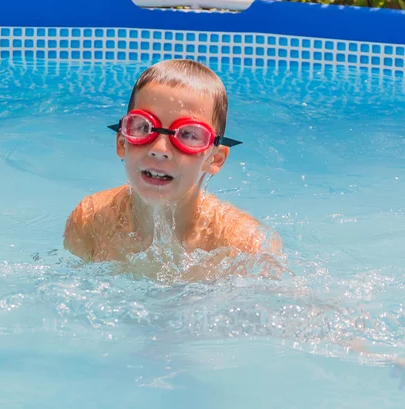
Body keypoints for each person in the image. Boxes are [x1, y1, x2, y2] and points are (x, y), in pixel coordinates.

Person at [63, 59, 282, 278]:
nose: (159, 149)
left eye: (188, 134)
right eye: (144, 127)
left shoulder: (242, 244)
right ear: (122, 143)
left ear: (214, 159)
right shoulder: (91, 221)